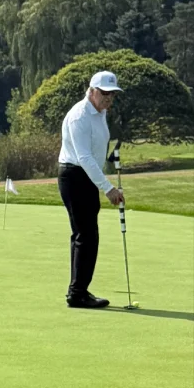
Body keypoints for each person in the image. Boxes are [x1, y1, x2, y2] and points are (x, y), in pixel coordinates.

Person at [57, 70, 124, 308]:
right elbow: (84, 157)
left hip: (86, 178)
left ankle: (79, 291)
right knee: (85, 235)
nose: (109, 99)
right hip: (74, 176)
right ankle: (77, 294)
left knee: (85, 235)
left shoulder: (100, 112)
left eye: (112, 94)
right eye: (105, 93)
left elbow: (96, 151)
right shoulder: (79, 117)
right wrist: (107, 188)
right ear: (92, 90)